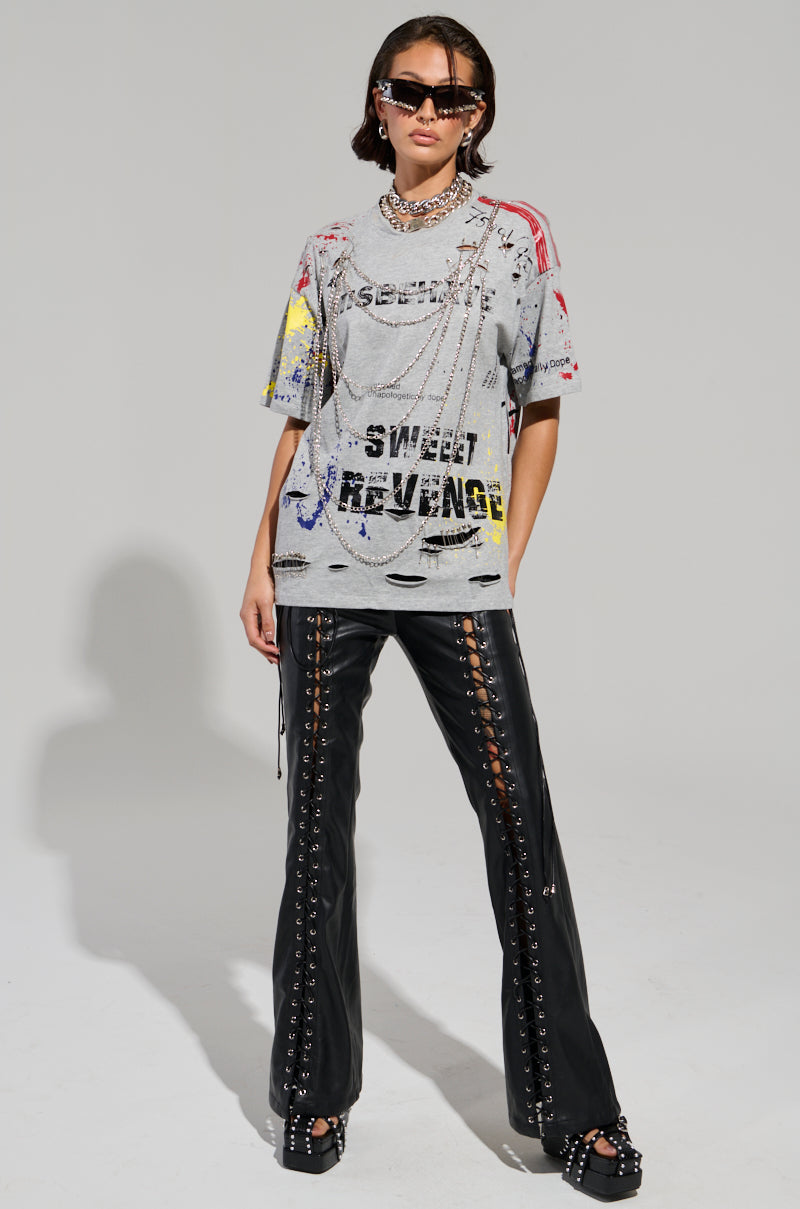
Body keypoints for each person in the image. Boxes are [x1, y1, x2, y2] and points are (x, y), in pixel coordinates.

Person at [240, 15, 643, 1198]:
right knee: (315, 831)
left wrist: (502, 555)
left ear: (479, 115)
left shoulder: (514, 237)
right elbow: (300, 414)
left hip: (456, 573)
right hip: (322, 568)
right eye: (406, 91)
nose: (427, 112)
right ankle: (310, 1092)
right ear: (376, 105)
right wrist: (259, 560)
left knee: (518, 824)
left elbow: (541, 407)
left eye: (452, 97)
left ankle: (570, 1109)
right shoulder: (326, 251)